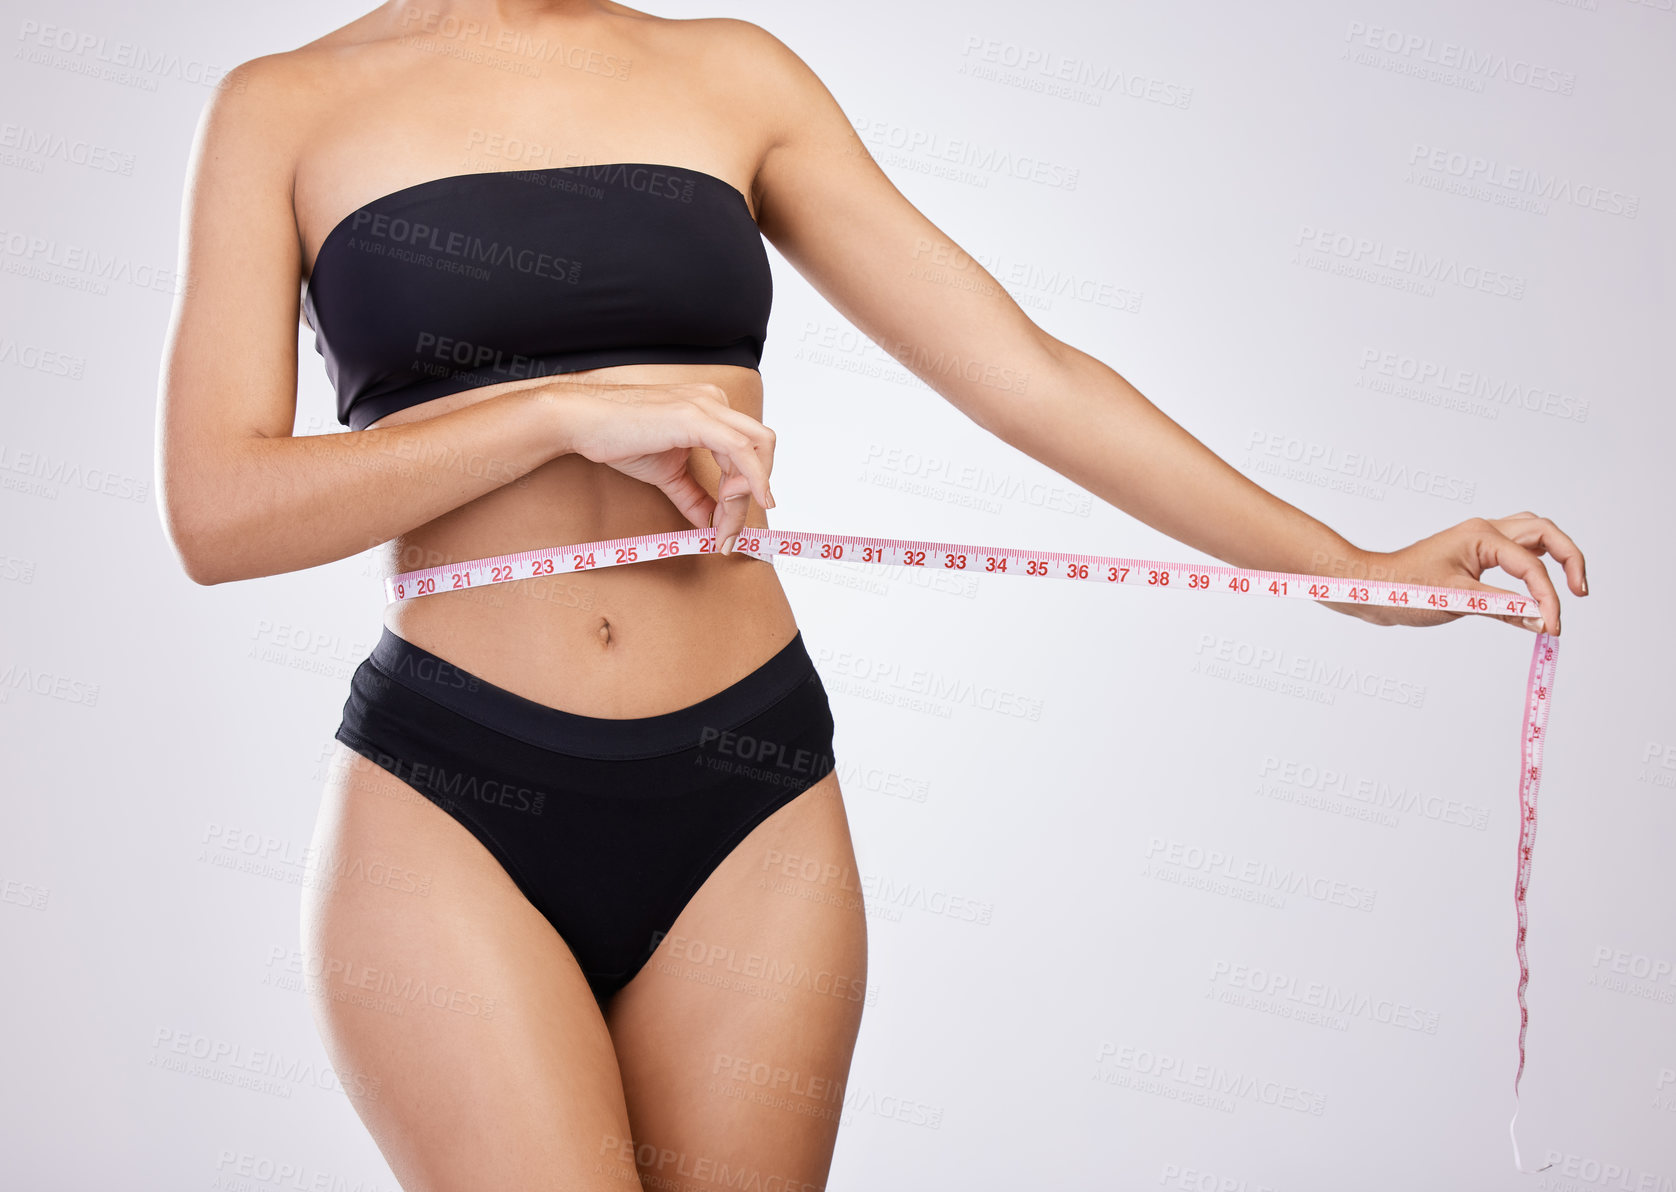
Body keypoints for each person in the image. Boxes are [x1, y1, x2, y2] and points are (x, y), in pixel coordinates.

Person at [154, 2, 1588, 1188]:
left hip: (747, 792)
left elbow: (1025, 374)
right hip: (452, 795)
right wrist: (552, 418)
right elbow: (218, 512)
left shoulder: (732, 71)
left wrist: (1346, 570)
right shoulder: (283, 108)